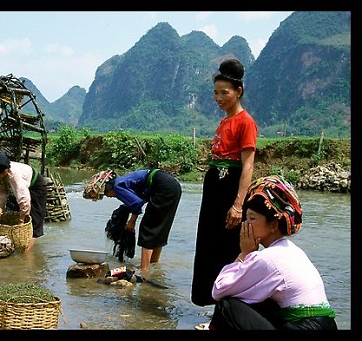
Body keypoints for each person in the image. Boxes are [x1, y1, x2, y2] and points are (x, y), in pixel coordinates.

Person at [208, 175, 338, 330]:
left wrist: (244, 254)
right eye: (246, 218)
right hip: (325, 325)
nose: (245, 224)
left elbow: (219, 290)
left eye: (252, 218)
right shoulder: (293, 251)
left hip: (306, 326)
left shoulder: (268, 258)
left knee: (227, 306)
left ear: (273, 225)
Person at [191, 58, 258, 307]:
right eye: (216, 93)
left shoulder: (246, 122)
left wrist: (238, 205)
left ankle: (231, 308)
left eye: (224, 93)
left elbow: (248, 166)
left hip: (230, 189)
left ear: (238, 92)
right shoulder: (224, 121)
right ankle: (212, 304)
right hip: (214, 188)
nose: (219, 98)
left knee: (228, 248)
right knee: (208, 245)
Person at [83, 169, 182, 272]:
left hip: (164, 187)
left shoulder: (117, 187)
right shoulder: (122, 182)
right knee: (158, 228)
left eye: (106, 194)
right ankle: (154, 264)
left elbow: (136, 203)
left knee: (147, 229)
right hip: (172, 186)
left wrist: (131, 221)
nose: (109, 197)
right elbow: (142, 199)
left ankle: (144, 269)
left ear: (108, 188)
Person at [0, 151, 47, 251]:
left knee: (34, 221)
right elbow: (1, 192)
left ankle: (27, 255)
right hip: (17, 189)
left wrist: (22, 219)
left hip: (35, 186)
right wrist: (1, 207)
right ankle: (17, 244)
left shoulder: (14, 175)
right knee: (14, 216)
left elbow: (24, 199)